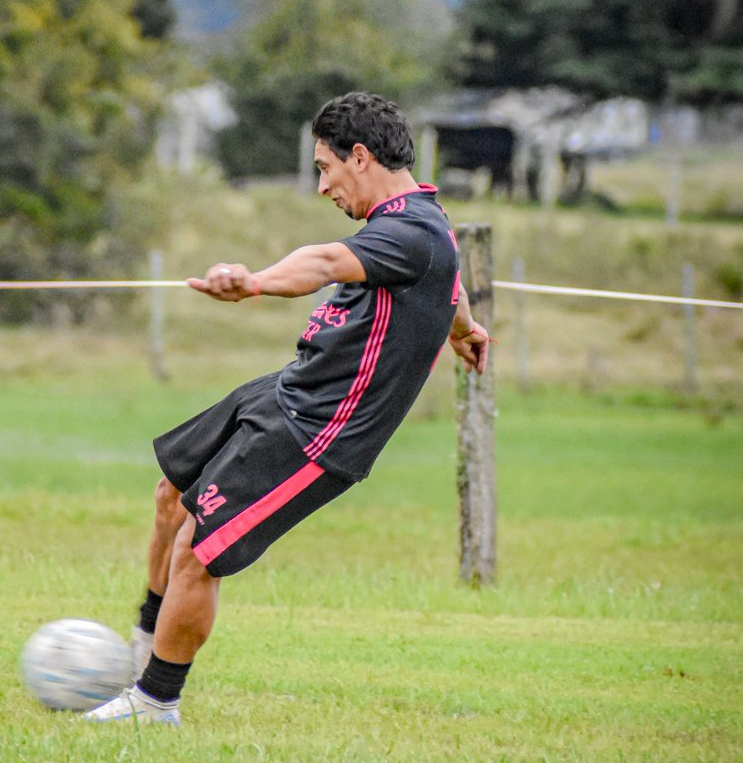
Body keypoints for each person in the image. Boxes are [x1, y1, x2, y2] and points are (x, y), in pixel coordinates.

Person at [85, 92, 490, 726]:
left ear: (361, 157)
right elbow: (450, 280)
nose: (323, 186)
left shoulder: (413, 231)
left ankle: (155, 702)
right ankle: (141, 647)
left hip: (321, 430)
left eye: (325, 168)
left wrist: (254, 282)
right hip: (287, 390)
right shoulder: (420, 222)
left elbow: (324, 260)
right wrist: (463, 329)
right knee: (172, 494)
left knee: (199, 547)